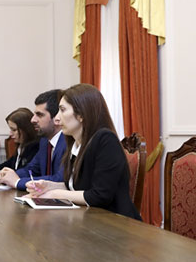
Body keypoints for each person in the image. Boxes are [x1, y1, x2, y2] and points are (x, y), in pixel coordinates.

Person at [25, 84, 141, 220]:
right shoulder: (75, 144)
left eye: (62, 110)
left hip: (116, 223)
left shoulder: (105, 139)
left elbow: (99, 196)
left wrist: (55, 194)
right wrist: (48, 186)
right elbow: (76, 187)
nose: (56, 118)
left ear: (81, 114)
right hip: (89, 220)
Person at [0, 89, 66, 190]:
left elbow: (59, 179)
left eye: (40, 115)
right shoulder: (44, 141)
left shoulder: (68, 142)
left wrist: (17, 182)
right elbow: (31, 169)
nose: (33, 120)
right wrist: (9, 175)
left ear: (57, 117)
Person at [0, 107, 39, 174]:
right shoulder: (21, 146)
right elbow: (10, 164)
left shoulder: (36, 148)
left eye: (14, 130)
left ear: (26, 130)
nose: (10, 134)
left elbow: (26, 171)